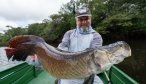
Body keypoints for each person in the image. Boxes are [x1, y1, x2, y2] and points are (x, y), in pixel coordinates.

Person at [57, 5, 103, 84]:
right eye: (80, 19)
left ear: (90, 19)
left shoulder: (96, 36)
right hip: (69, 71)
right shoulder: (69, 33)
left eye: (86, 19)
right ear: (76, 21)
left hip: (88, 72)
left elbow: (94, 56)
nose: (84, 22)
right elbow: (62, 48)